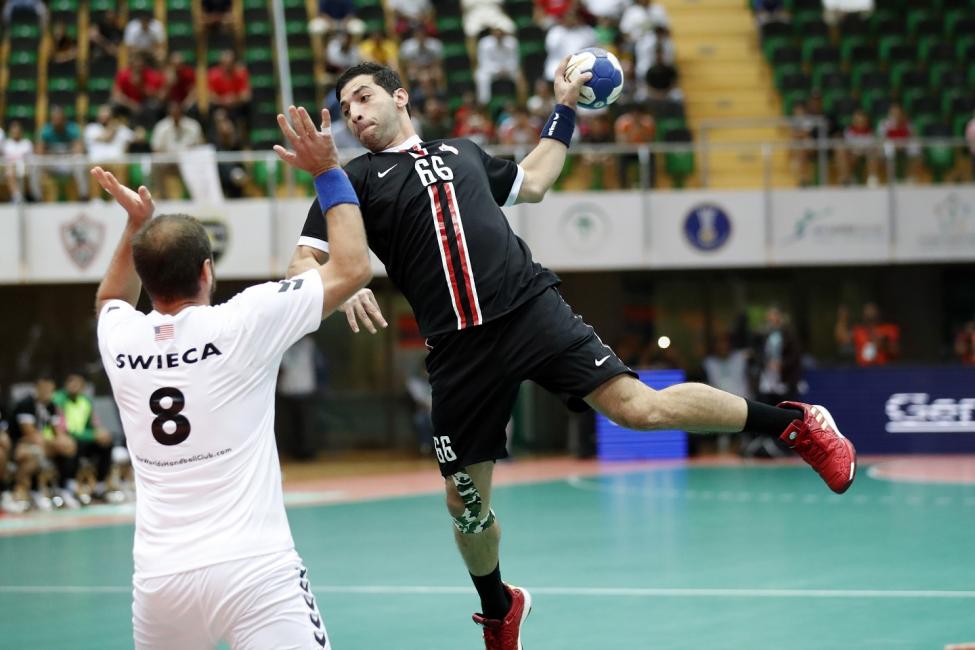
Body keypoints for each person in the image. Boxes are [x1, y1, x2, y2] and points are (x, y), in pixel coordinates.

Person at [289, 61, 858, 649]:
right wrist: (343, 280)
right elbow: (302, 259)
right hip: (457, 349)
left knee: (639, 409)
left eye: (364, 97)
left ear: (400, 97)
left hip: (528, 309)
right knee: (465, 505)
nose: (355, 113)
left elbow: (533, 182)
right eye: (346, 105)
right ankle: (499, 605)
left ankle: (795, 426)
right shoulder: (351, 179)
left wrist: (565, 108)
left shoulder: (463, 152)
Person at [92, 103, 371, 649]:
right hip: (255, 571)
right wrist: (327, 171)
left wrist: (132, 227)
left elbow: (109, 298)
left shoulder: (120, 338)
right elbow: (353, 268)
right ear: (207, 271)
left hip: (160, 583)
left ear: (147, 282)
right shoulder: (246, 320)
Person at [52, 373, 116, 504]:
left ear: (83, 387)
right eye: (71, 383)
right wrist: (93, 435)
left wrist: (100, 432)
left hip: (85, 438)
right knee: (73, 444)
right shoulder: (59, 399)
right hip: (66, 438)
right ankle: (68, 487)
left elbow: (94, 423)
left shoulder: (85, 401)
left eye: (77, 384)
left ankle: (100, 486)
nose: (73, 386)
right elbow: (63, 428)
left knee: (106, 443)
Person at [835, 302, 900, 366]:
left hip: (882, 371)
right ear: (863, 314)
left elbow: (896, 351)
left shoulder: (889, 329)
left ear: (878, 312)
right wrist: (842, 319)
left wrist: (883, 345)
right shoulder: (858, 331)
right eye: (867, 310)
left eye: (872, 310)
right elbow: (841, 340)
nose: (870, 312)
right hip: (863, 371)